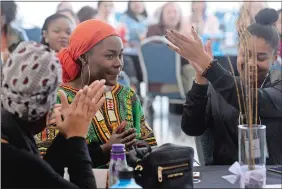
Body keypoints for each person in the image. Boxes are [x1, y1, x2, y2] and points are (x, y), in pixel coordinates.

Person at [166, 8, 282, 165]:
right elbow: (192, 128)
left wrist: (208, 66)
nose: (251, 64)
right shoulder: (219, 87)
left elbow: (253, 100)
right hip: (223, 176)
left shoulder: (278, 85)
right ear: (237, 51)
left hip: (273, 176)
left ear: (274, 57)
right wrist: (201, 80)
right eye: (245, 55)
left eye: (261, 58)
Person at [36, 20, 157, 168]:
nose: (118, 63)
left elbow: (149, 144)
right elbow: (46, 161)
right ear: (84, 57)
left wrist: (139, 147)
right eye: (110, 56)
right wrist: (106, 149)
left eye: (120, 55)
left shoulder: (126, 95)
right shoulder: (58, 98)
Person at [1, 41, 106, 188]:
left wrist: (65, 136)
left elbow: (46, 175)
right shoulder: (16, 160)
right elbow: (39, 172)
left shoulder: (9, 131)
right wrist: (77, 136)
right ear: (45, 107)